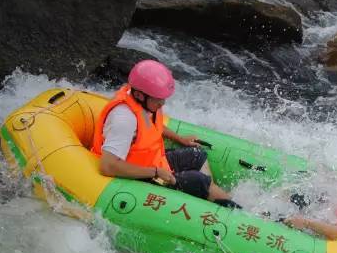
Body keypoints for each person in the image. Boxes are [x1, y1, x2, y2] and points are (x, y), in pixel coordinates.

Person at [92, 60, 239, 207]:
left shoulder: (141, 101)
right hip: (135, 176)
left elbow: (151, 125)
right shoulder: (124, 119)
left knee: (196, 155)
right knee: (198, 180)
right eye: (158, 99)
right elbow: (108, 166)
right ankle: (235, 211)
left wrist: (180, 139)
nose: (163, 103)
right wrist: (155, 172)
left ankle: (211, 199)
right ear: (139, 95)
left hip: (151, 162)